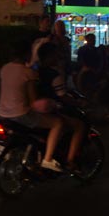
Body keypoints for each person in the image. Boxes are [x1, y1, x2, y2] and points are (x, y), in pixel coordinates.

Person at [0, 37, 65, 172]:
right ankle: (47, 159)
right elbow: (33, 100)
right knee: (57, 123)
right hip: (21, 114)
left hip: (2, 113)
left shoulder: (4, 69)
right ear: (26, 54)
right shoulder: (28, 73)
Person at [36, 40, 86, 171]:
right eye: (55, 55)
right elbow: (62, 96)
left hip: (35, 108)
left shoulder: (34, 71)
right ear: (49, 56)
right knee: (79, 126)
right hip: (51, 109)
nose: (58, 57)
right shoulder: (54, 75)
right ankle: (70, 161)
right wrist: (77, 102)